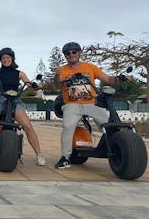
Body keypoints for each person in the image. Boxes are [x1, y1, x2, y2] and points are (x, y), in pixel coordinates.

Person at [53, 41, 125, 169]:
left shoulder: (90, 67)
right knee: (68, 126)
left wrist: (120, 78)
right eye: (67, 53)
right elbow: (57, 84)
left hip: (92, 102)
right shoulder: (62, 69)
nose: (71, 55)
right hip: (72, 104)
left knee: (110, 125)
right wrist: (58, 74)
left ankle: (121, 151)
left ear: (80, 53)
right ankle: (65, 157)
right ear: (65, 56)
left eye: (74, 52)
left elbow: (108, 79)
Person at [0, 47, 46, 166]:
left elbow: (28, 84)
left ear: (12, 58)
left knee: (28, 127)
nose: (5, 60)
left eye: (8, 57)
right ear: (0, 60)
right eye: (3, 58)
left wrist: (36, 86)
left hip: (15, 100)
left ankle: (39, 155)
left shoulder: (19, 73)